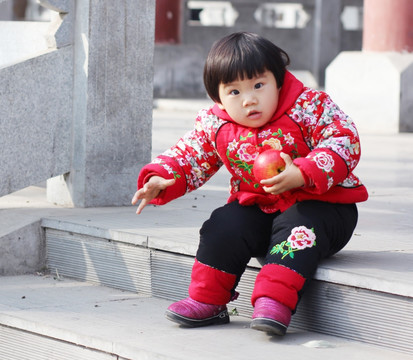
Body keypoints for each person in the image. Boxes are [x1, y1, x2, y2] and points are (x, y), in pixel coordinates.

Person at [131, 32, 368, 336]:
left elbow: (343, 138)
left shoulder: (308, 105)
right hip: (262, 207)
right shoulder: (217, 125)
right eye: (234, 92)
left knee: (299, 225)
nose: (249, 99)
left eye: (258, 85)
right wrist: (162, 178)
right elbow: (190, 154)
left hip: (325, 208)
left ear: (278, 80)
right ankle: (208, 301)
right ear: (218, 97)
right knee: (223, 223)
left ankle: (274, 302)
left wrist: (304, 171)